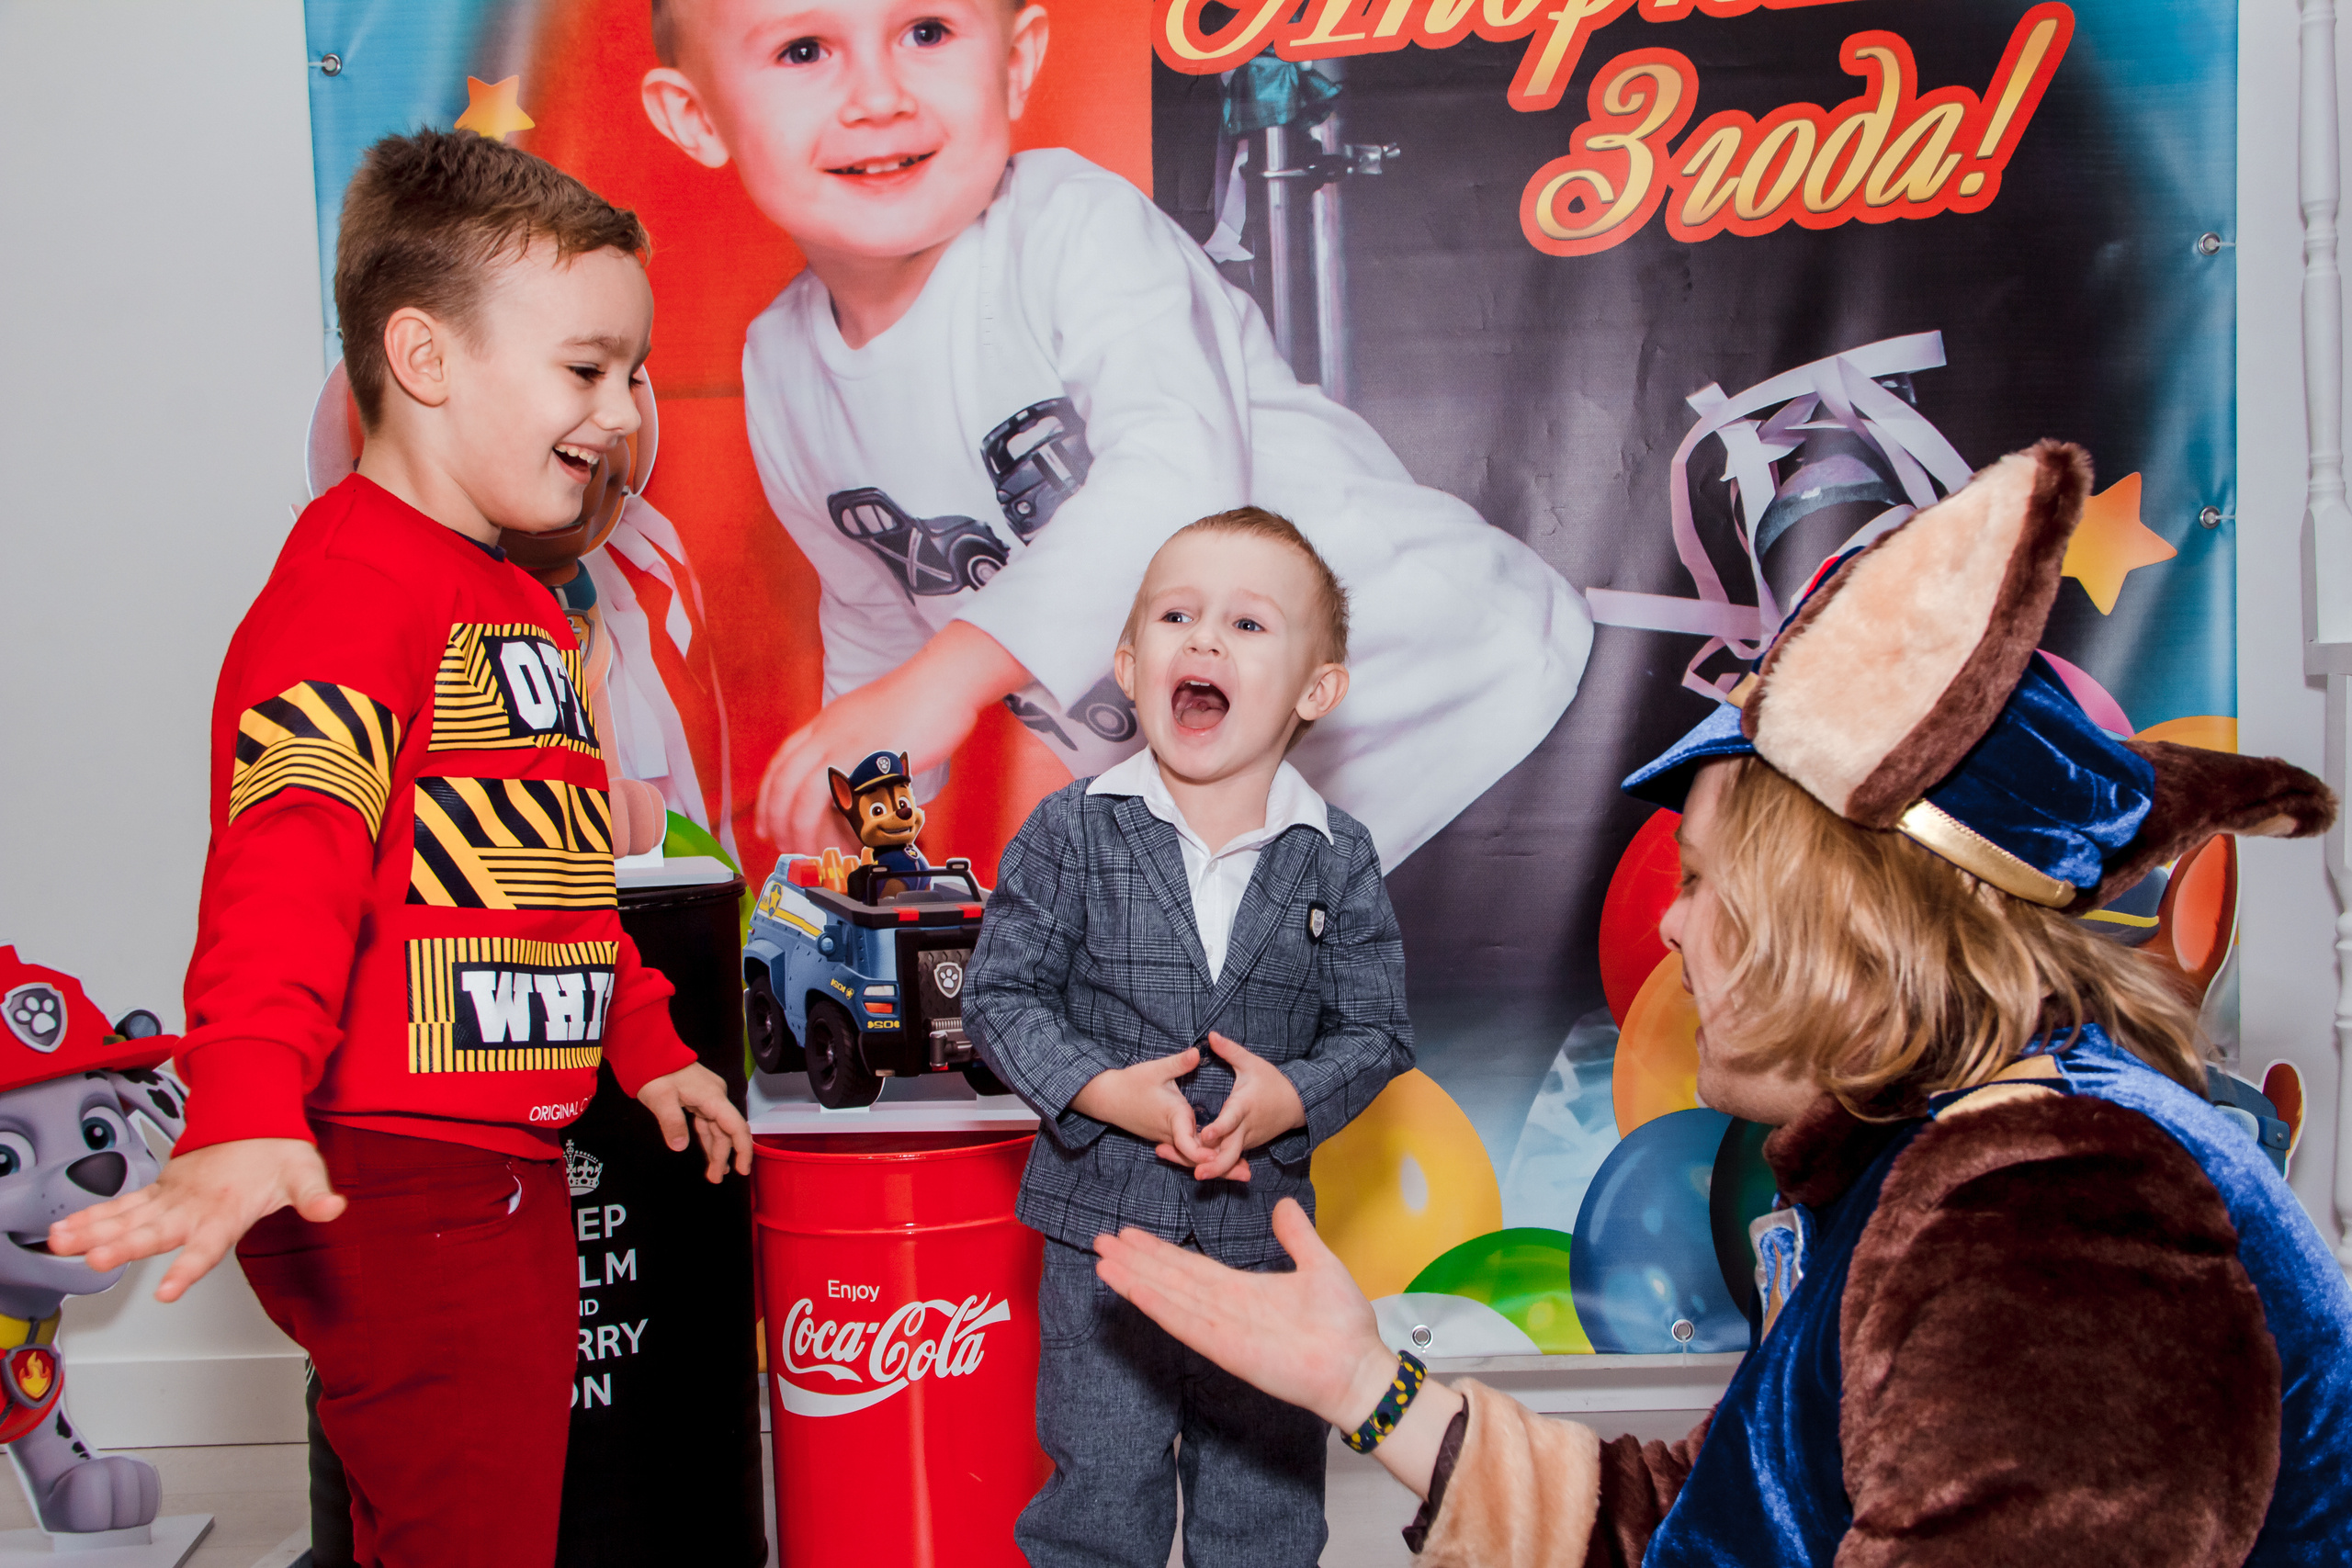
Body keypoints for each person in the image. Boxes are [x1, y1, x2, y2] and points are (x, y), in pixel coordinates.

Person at [1089, 442, 2352, 1565]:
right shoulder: (1942, 1162)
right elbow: (1712, 1522)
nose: (1670, 923)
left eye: (1705, 882)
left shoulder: (2050, 1217)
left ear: (1837, 913)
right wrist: (1360, 1377)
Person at [49, 130, 755, 1568]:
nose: (622, 411)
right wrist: (247, 1098)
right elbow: (288, 848)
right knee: (471, 1531)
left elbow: (558, 877)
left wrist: (651, 1042)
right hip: (403, 1175)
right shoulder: (352, 587)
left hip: (483, 1165)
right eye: (587, 367)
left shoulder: (500, 598)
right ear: (423, 357)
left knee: (443, 1514)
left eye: (630, 373)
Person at [638, 0, 1592, 871]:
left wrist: (943, 682)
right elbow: (879, 617)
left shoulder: (1069, 226)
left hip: (1474, 713)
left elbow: (1178, 488)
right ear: (696, 117)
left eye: (926, 33)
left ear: (1015, 64)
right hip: (1283, 829)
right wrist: (875, 794)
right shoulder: (780, 370)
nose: (878, 97)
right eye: (804, 50)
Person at [964, 509, 1415, 1567]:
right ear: (1130, 665)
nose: (1204, 640)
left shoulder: (1335, 856)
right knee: (1098, 1496)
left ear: (1317, 690)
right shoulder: (1070, 831)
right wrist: (1099, 1090)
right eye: (1177, 616)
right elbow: (1001, 997)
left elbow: (1377, 1030)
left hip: (1264, 1250)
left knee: (1262, 1506)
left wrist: (1292, 1098)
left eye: (1248, 625)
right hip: (1103, 1245)